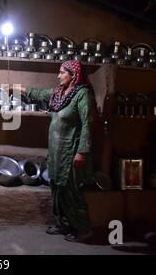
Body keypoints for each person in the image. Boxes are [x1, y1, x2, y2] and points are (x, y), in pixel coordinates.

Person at [17, 59, 95, 242]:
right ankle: (63, 224)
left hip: (71, 150)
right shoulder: (59, 94)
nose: (58, 75)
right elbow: (39, 93)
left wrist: (82, 151)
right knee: (56, 188)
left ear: (73, 75)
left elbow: (88, 125)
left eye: (62, 72)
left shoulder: (83, 95)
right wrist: (17, 88)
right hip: (56, 150)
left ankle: (84, 230)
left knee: (70, 190)